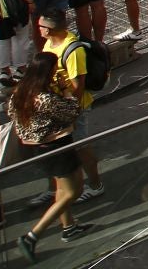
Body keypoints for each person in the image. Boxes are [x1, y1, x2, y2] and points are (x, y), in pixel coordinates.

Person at [9, 53, 89, 259]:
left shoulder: (20, 91)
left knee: (62, 189)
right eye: (54, 69)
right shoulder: (44, 98)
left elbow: (11, 113)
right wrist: (65, 90)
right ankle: (32, 236)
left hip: (37, 148)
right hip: (56, 145)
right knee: (74, 190)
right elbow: (73, 110)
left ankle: (68, 226)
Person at [38, 10, 104, 197]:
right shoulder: (49, 43)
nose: (39, 29)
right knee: (57, 151)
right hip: (57, 107)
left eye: (41, 26)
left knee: (81, 147)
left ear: (49, 29)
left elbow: (78, 86)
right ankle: (55, 189)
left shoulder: (73, 50)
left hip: (75, 108)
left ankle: (96, 185)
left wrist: (66, 107)